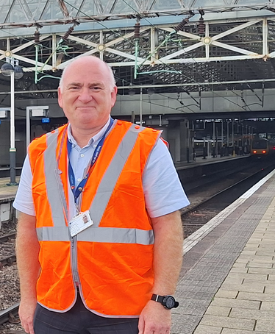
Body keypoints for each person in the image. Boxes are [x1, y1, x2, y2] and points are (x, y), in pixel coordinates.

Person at [14, 55, 189, 334]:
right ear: (61, 96)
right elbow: (27, 229)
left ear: (112, 94)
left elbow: (168, 226)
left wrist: (161, 301)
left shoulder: (146, 147)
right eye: (75, 87)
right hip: (55, 306)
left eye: (95, 87)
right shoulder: (39, 151)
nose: (85, 96)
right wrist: (27, 298)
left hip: (125, 308)